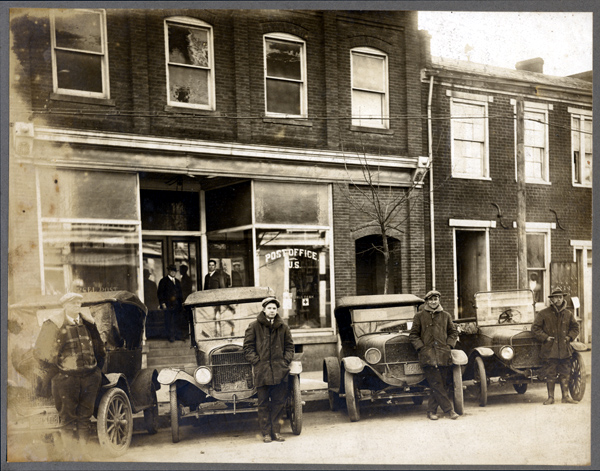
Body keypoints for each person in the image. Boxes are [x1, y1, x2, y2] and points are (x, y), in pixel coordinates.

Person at [33, 292, 106, 448]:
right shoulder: (53, 325)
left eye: (78, 303)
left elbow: (100, 349)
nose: (76, 305)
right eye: (72, 303)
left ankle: (83, 452)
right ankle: (71, 455)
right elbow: (40, 352)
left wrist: (95, 372)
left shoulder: (88, 323)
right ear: (64, 305)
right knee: (67, 418)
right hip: (66, 379)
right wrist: (58, 370)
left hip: (89, 377)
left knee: (85, 417)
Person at [243, 297, 295, 443]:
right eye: (269, 308)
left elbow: (290, 347)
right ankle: (266, 433)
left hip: (280, 371)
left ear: (276, 310)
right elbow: (247, 348)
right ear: (264, 309)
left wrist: (285, 362)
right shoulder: (254, 326)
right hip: (262, 371)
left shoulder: (283, 327)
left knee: (279, 403)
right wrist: (257, 362)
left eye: (274, 308)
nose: (272, 311)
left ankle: (276, 432)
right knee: (263, 403)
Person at [409, 290, 460, 420]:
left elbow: (453, 333)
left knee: (440, 385)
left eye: (435, 299)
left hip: (443, 355)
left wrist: (448, 346)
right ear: (427, 301)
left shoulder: (446, 316)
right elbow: (413, 335)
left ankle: (431, 411)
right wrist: (422, 348)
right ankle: (449, 411)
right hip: (428, 356)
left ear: (439, 300)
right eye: (431, 300)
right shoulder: (419, 316)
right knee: (436, 384)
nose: (433, 302)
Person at [532, 289, 580, 405]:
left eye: (560, 297)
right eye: (555, 297)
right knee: (550, 373)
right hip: (550, 349)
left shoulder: (568, 314)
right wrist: (545, 337)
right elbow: (535, 329)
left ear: (563, 298)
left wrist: (569, 337)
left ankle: (566, 397)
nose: (558, 300)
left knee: (565, 372)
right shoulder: (543, 313)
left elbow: (575, 328)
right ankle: (551, 398)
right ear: (551, 299)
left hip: (564, 349)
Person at [157, 264, 184, 342]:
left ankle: (177, 335)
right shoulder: (163, 281)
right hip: (168, 304)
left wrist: (181, 303)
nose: (173, 273)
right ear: (168, 271)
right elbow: (160, 293)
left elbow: (180, 294)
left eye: (175, 271)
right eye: (172, 271)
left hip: (177, 304)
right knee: (169, 320)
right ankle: (171, 336)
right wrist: (162, 303)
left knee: (177, 320)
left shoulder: (178, 282)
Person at [179, 264, 196, 346]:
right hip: (184, 301)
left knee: (186, 318)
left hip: (185, 301)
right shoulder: (183, 278)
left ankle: (186, 335)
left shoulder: (187, 279)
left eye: (181, 270)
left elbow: (187, 291)